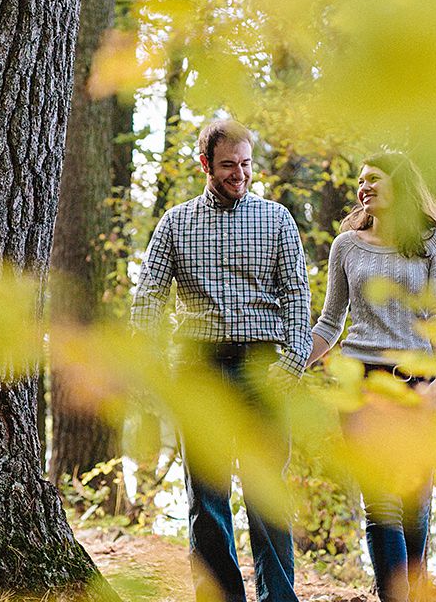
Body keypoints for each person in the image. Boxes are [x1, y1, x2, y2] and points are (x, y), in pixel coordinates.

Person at [131, 119, 311, 602]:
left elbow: (297, 295)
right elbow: (148, 299)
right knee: (207, 497)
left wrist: (294, 360)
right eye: (229, 165)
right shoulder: (176, 222)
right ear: (205, 165)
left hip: (262, 366)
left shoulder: (276, 220)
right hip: (200, 370)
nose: (240, 174)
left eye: (246, 164)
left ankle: (279, 597)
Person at [308, 152, 436, 602]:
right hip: (360, 382)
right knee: (380, 502)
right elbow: (331, 322)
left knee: (414, 499)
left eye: (373, 179)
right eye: (360, 180)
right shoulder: (346, 246)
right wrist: (297, 358)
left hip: (417, 379)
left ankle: (412, 589)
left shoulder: (434, 242)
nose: (363, 187)